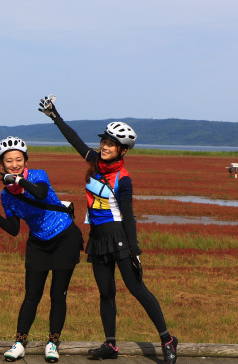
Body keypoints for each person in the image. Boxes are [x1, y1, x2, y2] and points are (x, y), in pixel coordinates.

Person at [38, 96, 178, 364]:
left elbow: (128, 217)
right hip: (98, 238)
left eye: (111, 143)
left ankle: (167, 339)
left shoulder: (123, 178)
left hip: (119, 237)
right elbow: (75, 140)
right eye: (104, 141)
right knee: (106, 292)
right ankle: (111, 345)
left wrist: (135, 250)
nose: (104, 146)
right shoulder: (94, 161)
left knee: (137, 289)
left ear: (122, 150)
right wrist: (56, 116)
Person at [0, 136, 83, 363]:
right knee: (31, 296)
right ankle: (19, 343)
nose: (14, 164)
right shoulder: (6, 196)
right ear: (1, 164)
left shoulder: (38, 175)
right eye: (8, 161)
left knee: (57, 295)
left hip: (65, 238)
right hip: (38, 243)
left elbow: (41, 194)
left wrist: (18, 181)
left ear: (26, 161)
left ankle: (53, 343)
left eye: (18, 159)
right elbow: (14, 229)